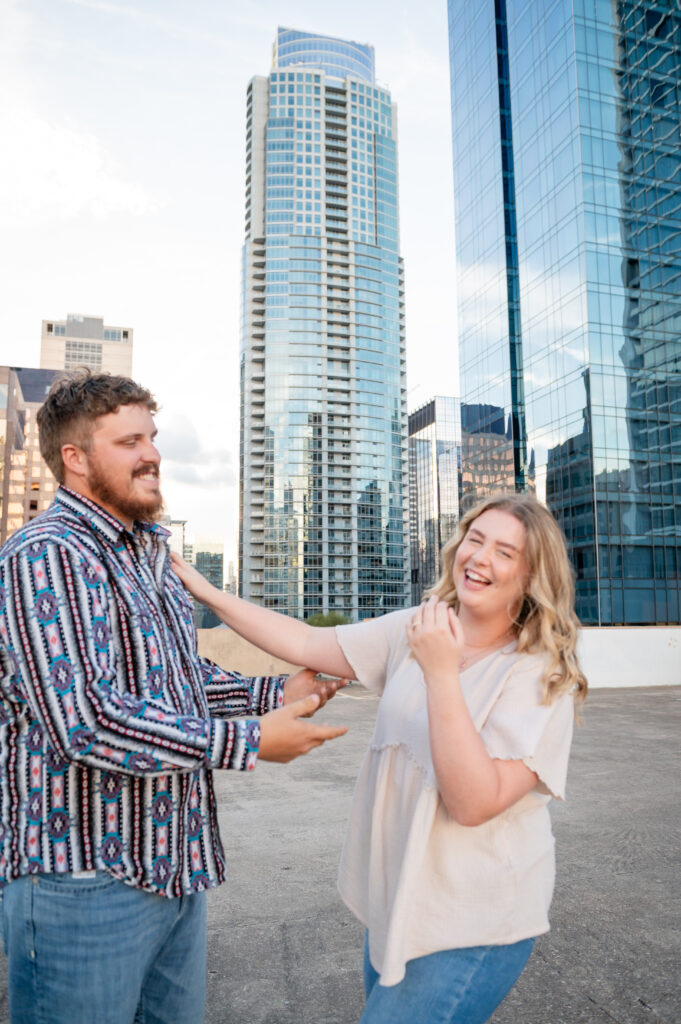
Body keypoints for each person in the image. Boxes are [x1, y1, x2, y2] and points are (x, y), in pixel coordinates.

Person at [0, 369, 347, 1024]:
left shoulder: (148, 554)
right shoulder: (45, 555)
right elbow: (86, 719)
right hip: (81, 885)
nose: (152, 453)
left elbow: (182, 678)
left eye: (151, 437)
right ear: (74, 459)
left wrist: (277, 690)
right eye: (129, 441)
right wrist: (250, 741)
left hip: (174, 870)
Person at [171, 491, 588, 1024]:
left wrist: (441, 672)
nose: (480, 558)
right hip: (400, 904)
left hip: (472, 920)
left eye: (506, 552)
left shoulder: (538, 673)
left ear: (532, 576)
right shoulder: (418, 627)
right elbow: (303, 640)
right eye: (475, 540)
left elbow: (473, 801)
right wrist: (208, 592)